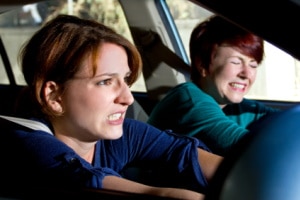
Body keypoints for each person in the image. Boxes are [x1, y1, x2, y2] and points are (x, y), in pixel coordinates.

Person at [0, 14, 223, 199]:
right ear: (54, 96)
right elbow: (82, 177)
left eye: (126, 79)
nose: (128, 98)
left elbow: (181, 153)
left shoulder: (117, 135)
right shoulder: (25, 143)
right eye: (105, 81)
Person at [147, 15, 279, 156]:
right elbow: (255, 151)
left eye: (253, 65)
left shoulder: (239, 108)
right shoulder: (189, 101)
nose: (246, 74)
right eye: (235, 62)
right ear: (202, 64)